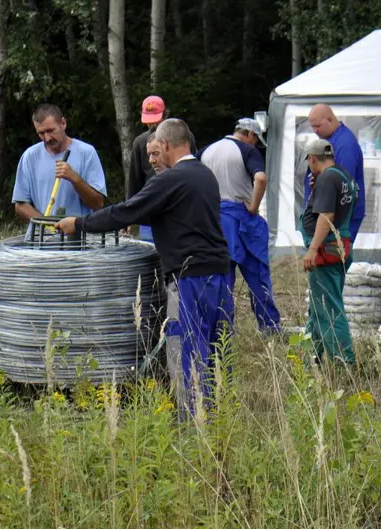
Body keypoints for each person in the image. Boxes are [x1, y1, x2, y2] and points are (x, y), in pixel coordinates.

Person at [56, 119, 233, 416]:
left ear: (164, 145)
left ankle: (193, 424)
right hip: (218, 275)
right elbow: (176, 217)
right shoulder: (204, 176)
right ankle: (215, 418)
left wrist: (79, 224)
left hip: (189, 278)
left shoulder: (171, 179)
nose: (152, 160)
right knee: (214, 351)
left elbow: (127, 209)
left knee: (187, 350)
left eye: (155, 152)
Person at [200, 118, 280, 333]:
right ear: (251, 135)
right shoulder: (246, 150)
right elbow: (261, 178)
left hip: (214, 219)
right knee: (257, 275)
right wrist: (253, 207)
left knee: (222, 279)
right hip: (240, 218)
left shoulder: (206, 151)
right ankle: (269, 326)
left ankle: (223, 329)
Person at [301, 139, 358, 365]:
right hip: (339, 246)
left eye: (308, 161)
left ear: (312, 159)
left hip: (325, 250)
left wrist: (312, 249)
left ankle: (345, 363)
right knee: (318, 309)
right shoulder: (344, 176)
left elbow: (326, 216)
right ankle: (310, 361)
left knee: (329, 309)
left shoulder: (326, 179)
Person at [12, 104, 107, 237]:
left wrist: (75, 179)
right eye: (41, 133)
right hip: (40, 243)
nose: (47, 138)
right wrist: (47, 225)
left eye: (51, 130)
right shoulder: (30, 156)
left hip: (79, 242)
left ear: (63, 123)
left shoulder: (86, 153)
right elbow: (20, 205)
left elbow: (98, 204)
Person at [126, 96, 196, 241]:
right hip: (150, 215)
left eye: (156, 119)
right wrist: (129, 216)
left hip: (179, 212)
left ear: (165, 115)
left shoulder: (185, 138)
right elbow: (135, 181)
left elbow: (194, 169)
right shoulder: (140, 142)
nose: (152, 123)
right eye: (148, 120)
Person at [304, 104, 366, 242]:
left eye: (318, 126)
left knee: (330, 260)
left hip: (338, 221)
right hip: (328, 217)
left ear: (330, 119)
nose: (315, 130)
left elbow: (342, 189)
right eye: (312, 126)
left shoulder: (345, 146)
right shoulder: (332, 141)